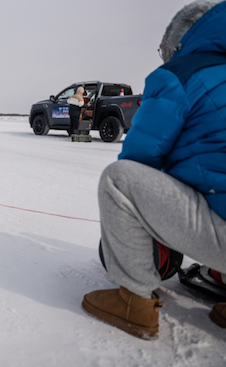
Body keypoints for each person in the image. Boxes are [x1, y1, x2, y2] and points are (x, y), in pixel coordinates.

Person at [82, 0, 226, 340]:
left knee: (120, 182)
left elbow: (140, 157)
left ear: (179, 41)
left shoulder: (182, 72)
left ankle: (134, 301)